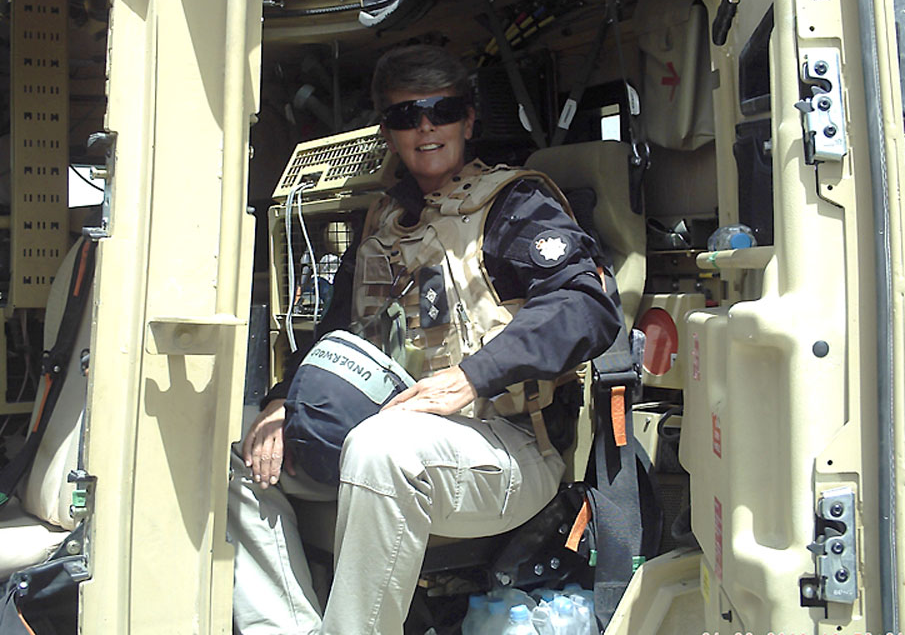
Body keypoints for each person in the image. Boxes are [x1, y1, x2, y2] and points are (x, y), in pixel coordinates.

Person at [228, 44, 621, 635]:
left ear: (467, 119)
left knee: (383, 451)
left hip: (509, 445)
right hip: (384, 431)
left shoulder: (512, 205)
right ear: (388, 131)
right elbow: (338, 331)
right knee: (228, 448)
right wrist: (284, 399)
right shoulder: (384, 221)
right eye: (406, 116)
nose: (426, 127)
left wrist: (472, 375)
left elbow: (586, 307)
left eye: (441, 110)